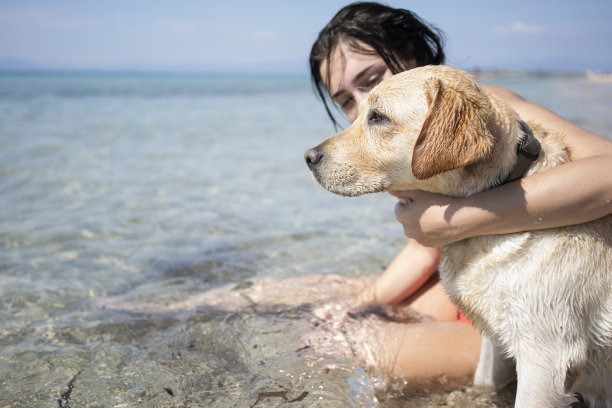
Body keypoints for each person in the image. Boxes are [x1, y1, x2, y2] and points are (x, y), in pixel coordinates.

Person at [309, 1, 612, 388]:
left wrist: (463, 215)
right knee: (329, 296)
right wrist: (362, 301)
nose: (362, 105)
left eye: (370, 80)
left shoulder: (488, 109)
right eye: (346, 101)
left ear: (415, 54)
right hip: (473, 283)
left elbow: (608, 170)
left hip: (526, 307)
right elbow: (426, 247)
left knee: (329, 346)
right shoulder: (406, 140)